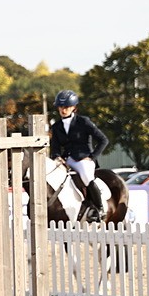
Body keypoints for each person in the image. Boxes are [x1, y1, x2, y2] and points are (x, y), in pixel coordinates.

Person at [49, 89, 110, 222]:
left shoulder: (83, 122)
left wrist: (92, 156)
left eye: (66, 107)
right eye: (60, 107)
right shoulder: (56, 126)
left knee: (87, 177)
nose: (63, 110)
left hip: (83, 159)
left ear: (74, 108)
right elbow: (55, 147)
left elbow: (103, 140)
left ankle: (99, 208)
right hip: (66, 160)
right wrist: (57, 157)